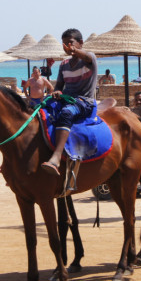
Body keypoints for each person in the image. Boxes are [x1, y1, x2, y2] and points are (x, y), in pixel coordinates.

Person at [41, 28, 98, 176]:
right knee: (41, 109)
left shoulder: (89, 59)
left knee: (66, 113)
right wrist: (57, 92)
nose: (67, 46)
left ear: (80, 43)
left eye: (70, 43)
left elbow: (87, 56)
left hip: (84, 102)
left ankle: (56, 157)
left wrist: (74, 51)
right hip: (66, 99)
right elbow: (59, 86)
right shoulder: (64, 64)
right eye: (64, 43)